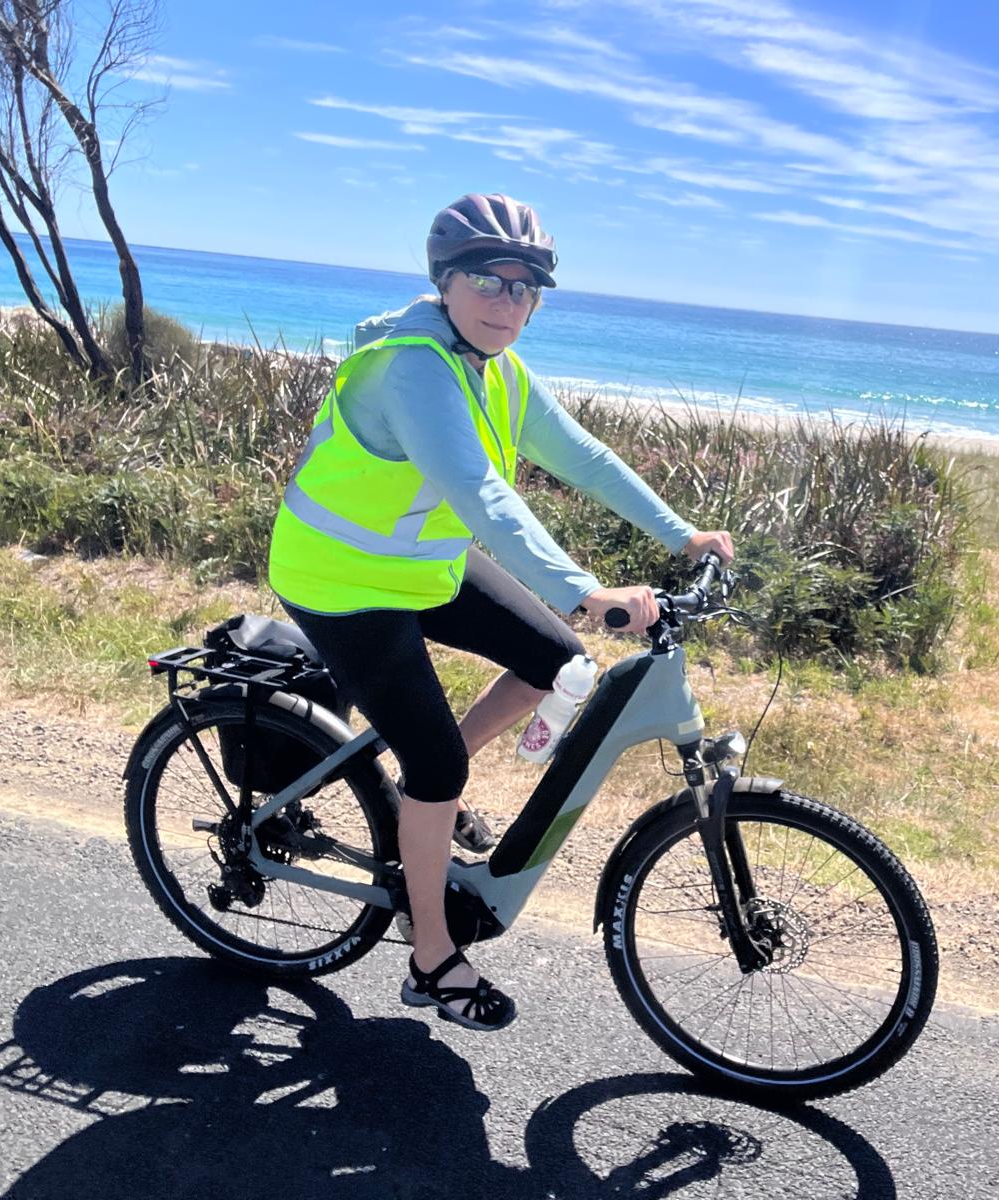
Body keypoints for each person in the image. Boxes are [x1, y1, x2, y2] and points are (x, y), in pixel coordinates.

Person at [267, 193, 734, 1032]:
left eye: (525, 289)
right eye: (487, 279)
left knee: (556, 665)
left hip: (420, 566)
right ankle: (432, 956)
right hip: (341, 579)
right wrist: (585, 593)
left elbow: (582, 456)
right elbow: (484, 498)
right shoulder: (412, 367)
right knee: (443, 765)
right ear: (444, 282)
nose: (507, 302)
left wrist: (682, 533)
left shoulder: (499, 368)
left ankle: (422, 798)